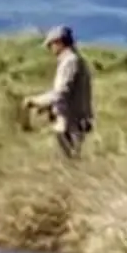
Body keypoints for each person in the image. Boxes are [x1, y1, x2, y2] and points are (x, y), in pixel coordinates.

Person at [24, 24, 95, 159]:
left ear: (59, 42)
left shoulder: (70, 62)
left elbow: (61, 93)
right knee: (72, 159)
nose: (50, 49)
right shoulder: (76, 61)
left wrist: (35, 102)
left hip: (69, 123)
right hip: (74, 120)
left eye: (51, 45)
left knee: (70, 161)